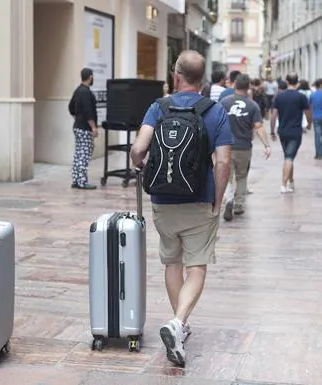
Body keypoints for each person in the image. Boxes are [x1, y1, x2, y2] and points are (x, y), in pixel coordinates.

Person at [130, 50, 233, 367]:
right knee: (197, 266)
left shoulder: (158, 107)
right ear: (202, 78)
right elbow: (224, 161)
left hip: (163, 199)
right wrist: (218, 198)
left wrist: (141, 166)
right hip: (199, 198)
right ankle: (177, 322)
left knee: (171, 263)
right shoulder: (215, 111)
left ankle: (179, 325)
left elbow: (138, 149)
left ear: (176, 75)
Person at [220, 74, 271, 221]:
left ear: (234, 85)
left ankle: (229, 199)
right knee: (242, 176)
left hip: (226, 146)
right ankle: (239, 205)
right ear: (248, 87)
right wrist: (266, 145)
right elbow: (259, 127)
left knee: (227, 176)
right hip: (244, 147)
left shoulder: (224, 102)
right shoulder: (252, 105)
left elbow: (216, 123)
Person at [270, 73, 311, 194]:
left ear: (287, 81)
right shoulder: (301, 97)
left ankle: (291, 181)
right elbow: (308, 112)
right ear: (297, 82)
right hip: (295, 131)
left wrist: (272, 131)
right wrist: (309, 124)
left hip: (282, 131)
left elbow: (273, 115)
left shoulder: (279, 97)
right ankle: (283, 185)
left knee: (289, 156)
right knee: (289, 157)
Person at [68, 67, 98, 190]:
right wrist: (94, 127)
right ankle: (81, 181)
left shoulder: (77, 91)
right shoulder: (86, 93)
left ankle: (76, 179)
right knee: (84, 154)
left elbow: (70, 108)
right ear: (90, 77)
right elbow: (88, 112)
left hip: (77, 126)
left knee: (78, 154)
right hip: (85, 128)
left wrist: (78, 117)